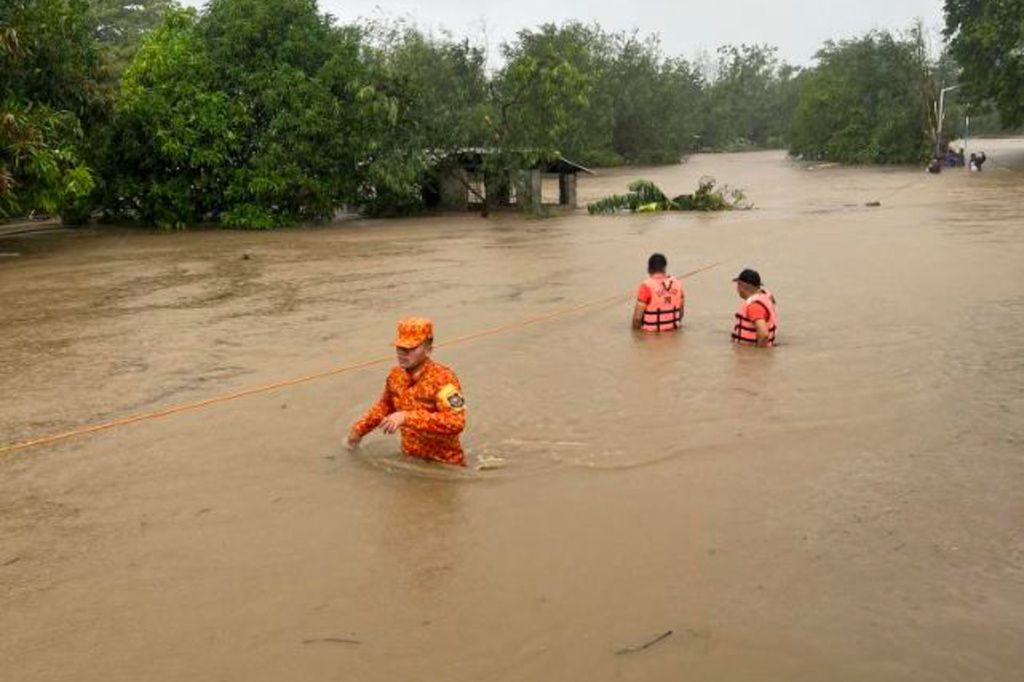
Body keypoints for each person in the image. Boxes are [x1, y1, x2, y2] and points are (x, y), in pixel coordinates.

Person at [346, 317, 467, 466]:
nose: (403, 353)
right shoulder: (395, 376)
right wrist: (358, 431)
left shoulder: (444, 379)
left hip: (445, 466)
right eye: (400, 348)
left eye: (410, 349)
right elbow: (384, 406)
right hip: (410, 461)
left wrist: (407, 417)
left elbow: (456, 422)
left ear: (428, 350)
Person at [632, 253, 685, 332]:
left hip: (650, 337)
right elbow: (680, 314)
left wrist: (635, 335)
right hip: (673, 334)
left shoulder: (646, 286)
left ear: (649, 268)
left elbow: (637, 318)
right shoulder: (677, 284)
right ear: (664, 268)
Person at [731, 269, 778, 348]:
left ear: (742, 286)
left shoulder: (753, 306)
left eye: (738, 284)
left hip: (749, 354)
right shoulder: (766, 296)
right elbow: (771, 297)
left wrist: (757, 355)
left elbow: (764, 334)